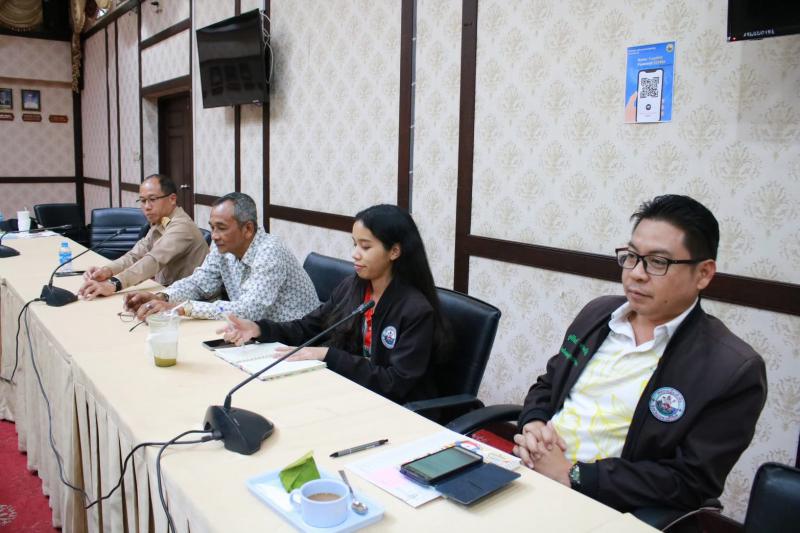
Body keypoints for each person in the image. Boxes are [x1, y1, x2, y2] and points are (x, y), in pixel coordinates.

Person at [512, 195, 767, 513]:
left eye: (658, 262)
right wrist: (533, 423)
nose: (636, 273)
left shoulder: (732, 368)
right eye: (631, 256)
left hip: (603, 506)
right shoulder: (597, 315)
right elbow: (549, 384)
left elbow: (690, 481)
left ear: (703, 273)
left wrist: (573, 474)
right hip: (531, 473)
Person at [218, 204, 449, 404]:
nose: (355, 254)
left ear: (395, 251)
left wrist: (329, 355)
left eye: (365, 247)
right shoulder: (353, 287)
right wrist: (259, 329)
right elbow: (308, 327)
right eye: (354, 244)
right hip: (351, 392)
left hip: (398, 409)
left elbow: (394, 383)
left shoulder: (415, 310)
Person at [125, 192, 318, 321]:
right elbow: (199, 283)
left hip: (295, 340)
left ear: (248, 229)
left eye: (221, 228)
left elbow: (249, 310)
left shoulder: (269, 251)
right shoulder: (223, 247)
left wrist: (181, 308)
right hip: (254, 333)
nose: (215, 236)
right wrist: (162, 296)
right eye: (212, 228)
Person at [77, 174, 209, 300]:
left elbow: (153, 260)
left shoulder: (181, 226)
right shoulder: (162, 221)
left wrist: (113, 284)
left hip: (188, 300)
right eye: (143, 201)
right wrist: (107, 270)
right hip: (166, 292)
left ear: (172, 199)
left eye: (152, 200)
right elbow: (135, 255)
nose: (147, 207)